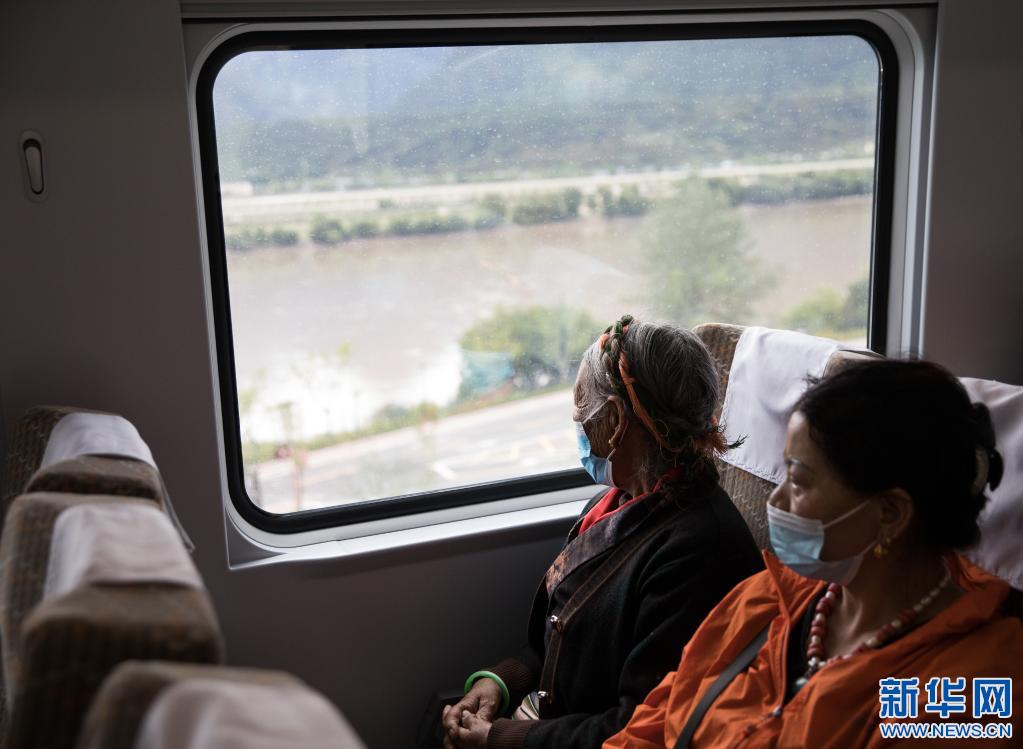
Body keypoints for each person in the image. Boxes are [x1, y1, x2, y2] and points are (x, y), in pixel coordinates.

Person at [604, 359, 1023, 749]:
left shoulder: (972, 688)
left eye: (799, 481)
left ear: (890, 514)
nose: (777, 501)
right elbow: (653, 725)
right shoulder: (765, 601)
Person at [442, 315, 763, 749]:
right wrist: (501, 682)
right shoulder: (609, 505)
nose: (578, 425)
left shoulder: (698, 552)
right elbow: (559, 640)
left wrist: (501, 738)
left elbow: (640, 726)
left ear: (614, 421)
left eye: (582, 413)